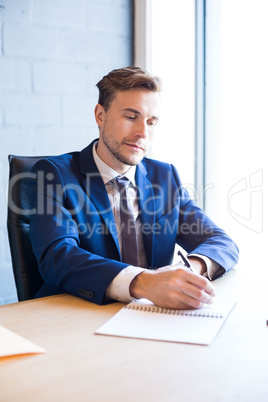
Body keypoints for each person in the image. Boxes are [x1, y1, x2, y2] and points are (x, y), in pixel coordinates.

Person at [29, 66, 239, 309]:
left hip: (149, 315)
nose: (142, 133)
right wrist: (144, 282)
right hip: (76, 313)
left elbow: (221, 242)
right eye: (131, 117)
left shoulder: (165, 176)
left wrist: (189, 270)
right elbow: (58, 257)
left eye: (151, 122)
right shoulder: (55, 174)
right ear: (100, 115)